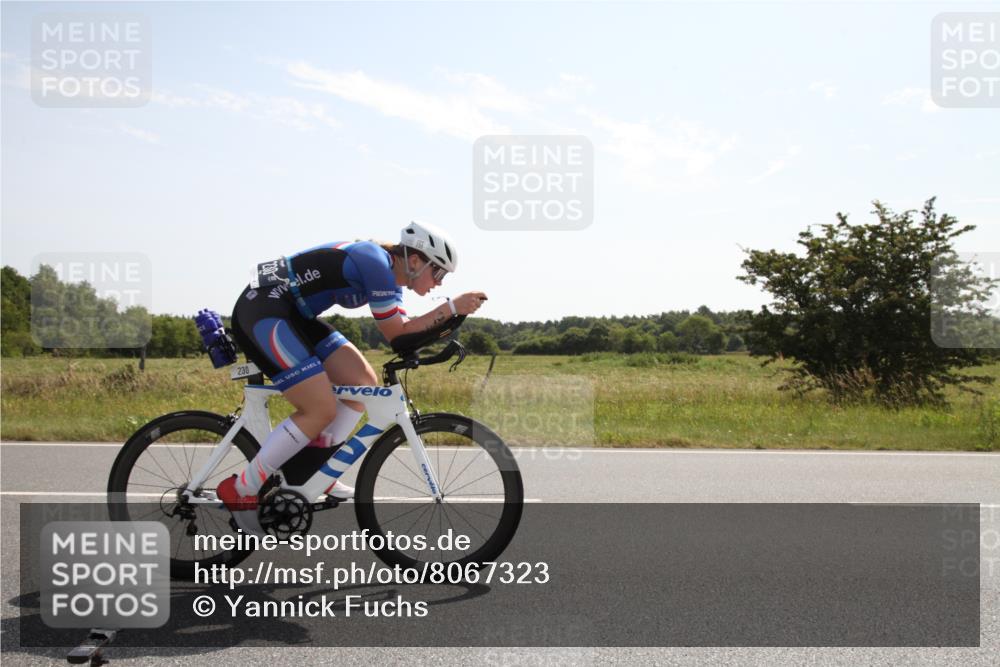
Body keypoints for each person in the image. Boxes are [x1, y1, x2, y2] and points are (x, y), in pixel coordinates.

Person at [218, 221, 487, 535]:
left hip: (294, 314)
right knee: (319, 409)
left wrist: (451, 313)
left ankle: (315, 468)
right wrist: (452, 307)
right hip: (264, 311)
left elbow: (406, 331)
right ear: (415, 261)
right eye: (438, 272)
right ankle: (241, 489)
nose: (439, 283)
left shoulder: (388, 274)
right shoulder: (375, 263)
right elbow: (397, 336)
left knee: (362, 383)